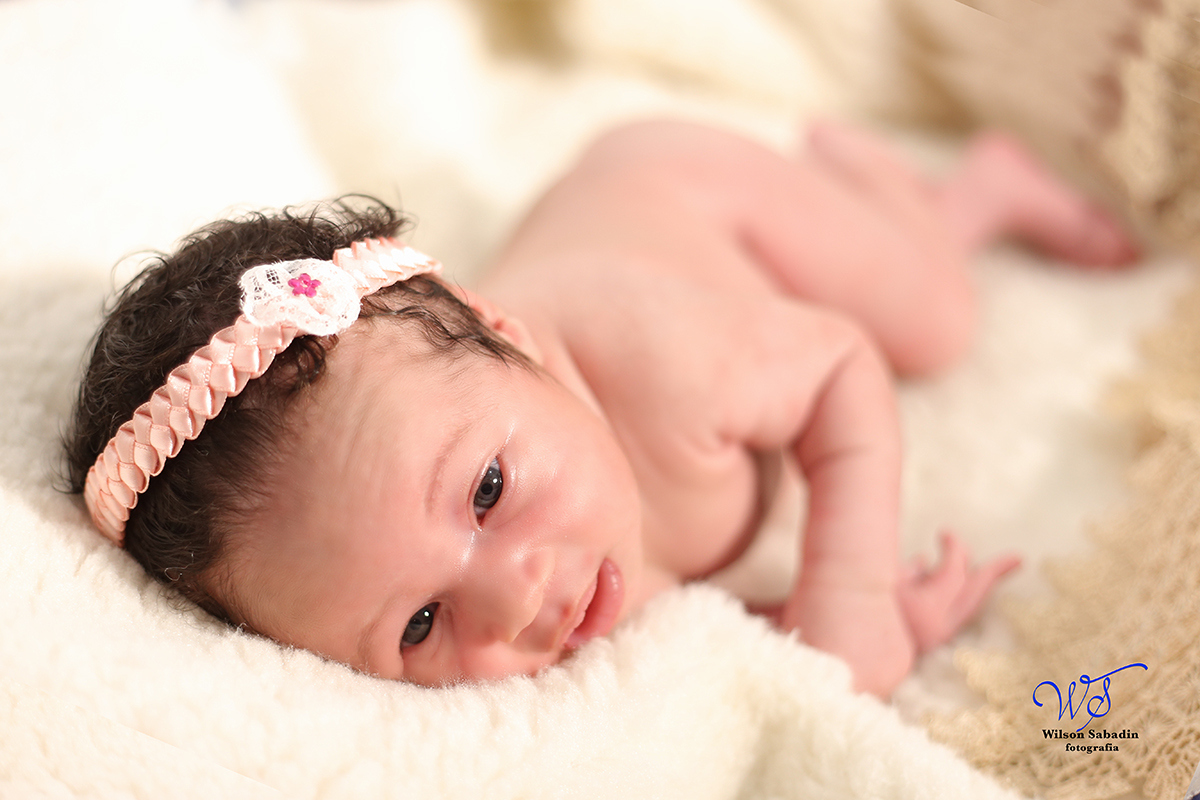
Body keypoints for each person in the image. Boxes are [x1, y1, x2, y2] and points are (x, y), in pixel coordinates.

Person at [67, 120, 1137, 697]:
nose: (516, 596)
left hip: (696, 197)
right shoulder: (519, 559)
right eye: (420, 623)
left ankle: (952, 192)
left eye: (488, 489)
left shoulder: (660, 358)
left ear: (513, 336)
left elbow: (836, 367)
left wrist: (850, 589)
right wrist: (846, 630)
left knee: (934, 318)